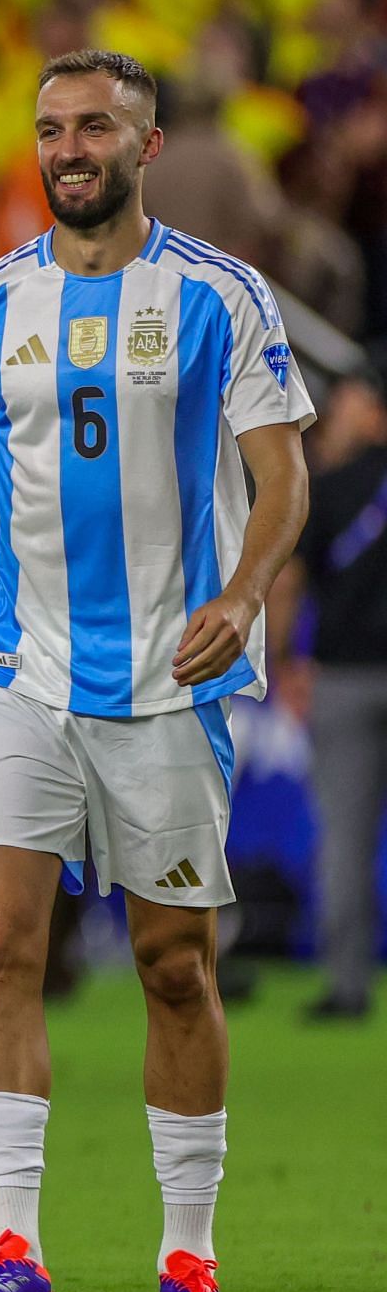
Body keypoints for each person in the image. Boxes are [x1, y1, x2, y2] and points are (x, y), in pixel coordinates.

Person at [0, 50, 313, 1292]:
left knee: (174, 966)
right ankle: (12, 1245)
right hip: (20, 672)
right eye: (50, 129)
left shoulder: (220, 296)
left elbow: (280, 469)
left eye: (95, 127)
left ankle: (186, 1250)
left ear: (146, 145)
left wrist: (243, 595)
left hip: (167, 682)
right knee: (2, 944)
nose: (68, 147)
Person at [267, 368, 387, 1022]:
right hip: (344, 678)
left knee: (344, 840)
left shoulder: (332, 487)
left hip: (343, 678)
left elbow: (288, 582)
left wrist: (284, 660)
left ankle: (347, 986)